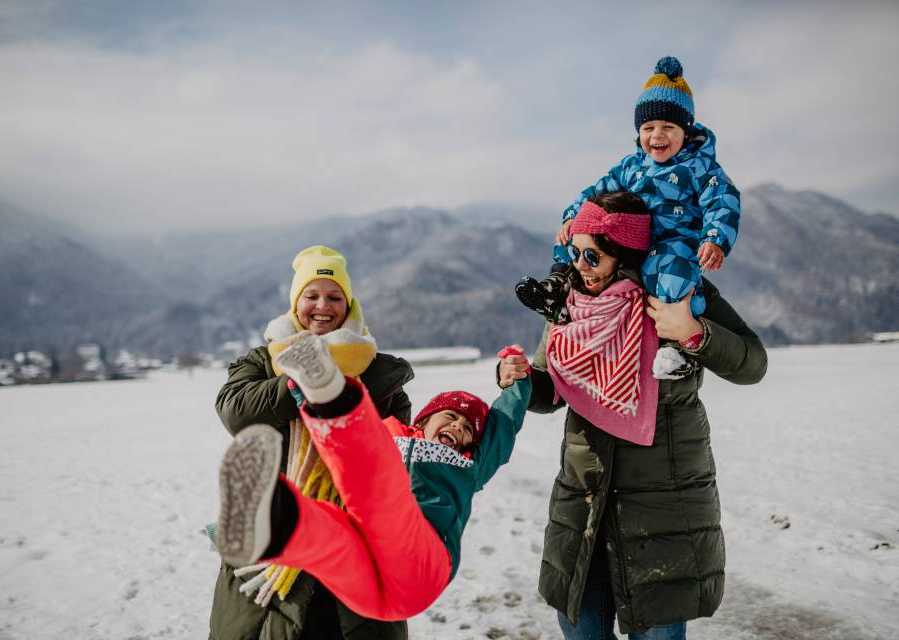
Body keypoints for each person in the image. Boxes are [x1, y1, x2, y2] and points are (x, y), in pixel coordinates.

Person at [499, 192, 767, 639]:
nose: (579, 265)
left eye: (592, 255)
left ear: (623, 255)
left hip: (663, 508)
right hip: (584, 503)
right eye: (574, 251)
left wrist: (693, 332)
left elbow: (753, 363)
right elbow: (553, 390)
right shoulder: (569, 304)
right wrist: (520, 378)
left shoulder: (676, 290)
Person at [215, 334, 533, 621]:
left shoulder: (469, 463)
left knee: (379, 488)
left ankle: (330, 396)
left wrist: (516, 382)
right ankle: (273, 516)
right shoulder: (393, 433)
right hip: (365, 568)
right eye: (451, 417)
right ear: (424, 420)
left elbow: (504, 422)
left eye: (467, 430)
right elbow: (341, 456)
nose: (458, 429)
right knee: (328, 539)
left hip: (420, 567)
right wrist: (303, 402)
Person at [209, 245, 415, 640]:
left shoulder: (379, 374)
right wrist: (310, 376)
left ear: (348, 304)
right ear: (295, 302)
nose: (323, 305)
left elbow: (392, 452)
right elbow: (235, 411)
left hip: (353, 548)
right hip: (271, 545)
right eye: (312, 295)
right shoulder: (263, 361)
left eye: (335, 297)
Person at [516, 56, 740, 377]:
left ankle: (675, 349)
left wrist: (715, 238)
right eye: (648, 128)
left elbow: (723, 200)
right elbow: (596, 191)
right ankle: (556, 289)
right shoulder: (631, 165)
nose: (657, 135)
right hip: (628, 239)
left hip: (671, 243)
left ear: (686, 131)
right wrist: (572, 217)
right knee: (579, 245)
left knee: (671, 274)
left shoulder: (699, 167)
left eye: (668, 127)